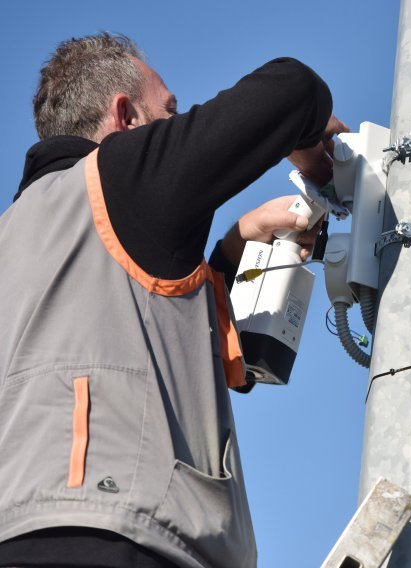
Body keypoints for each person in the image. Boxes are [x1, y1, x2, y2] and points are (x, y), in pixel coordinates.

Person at [0, 33, 347, 567]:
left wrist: (230, 254)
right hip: (114, 538)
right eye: (170, 111)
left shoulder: (20, 236)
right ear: (126, 118)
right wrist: (305, 140)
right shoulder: (120, 175)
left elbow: (146, 343)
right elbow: (292, 88)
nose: (178, 123)